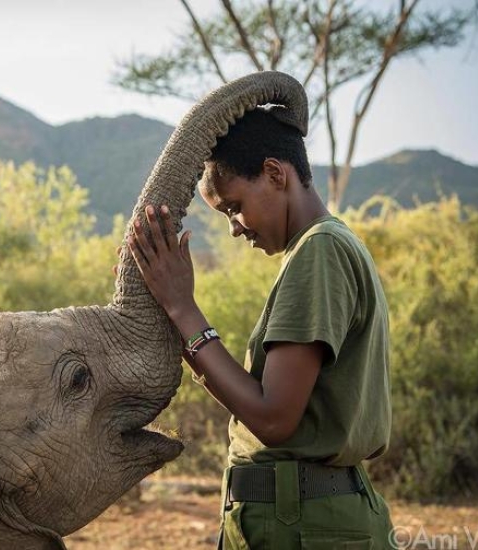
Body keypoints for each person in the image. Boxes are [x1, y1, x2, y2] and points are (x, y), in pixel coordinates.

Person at [126, 106, 396, 548]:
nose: (234, 228)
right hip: (296, 519)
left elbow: (273, 418)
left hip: (306, 525)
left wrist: (183, 308)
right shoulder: (321, 247)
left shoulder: (321, 250)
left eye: (234, 207)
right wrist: (174, 312)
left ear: (275, 173)